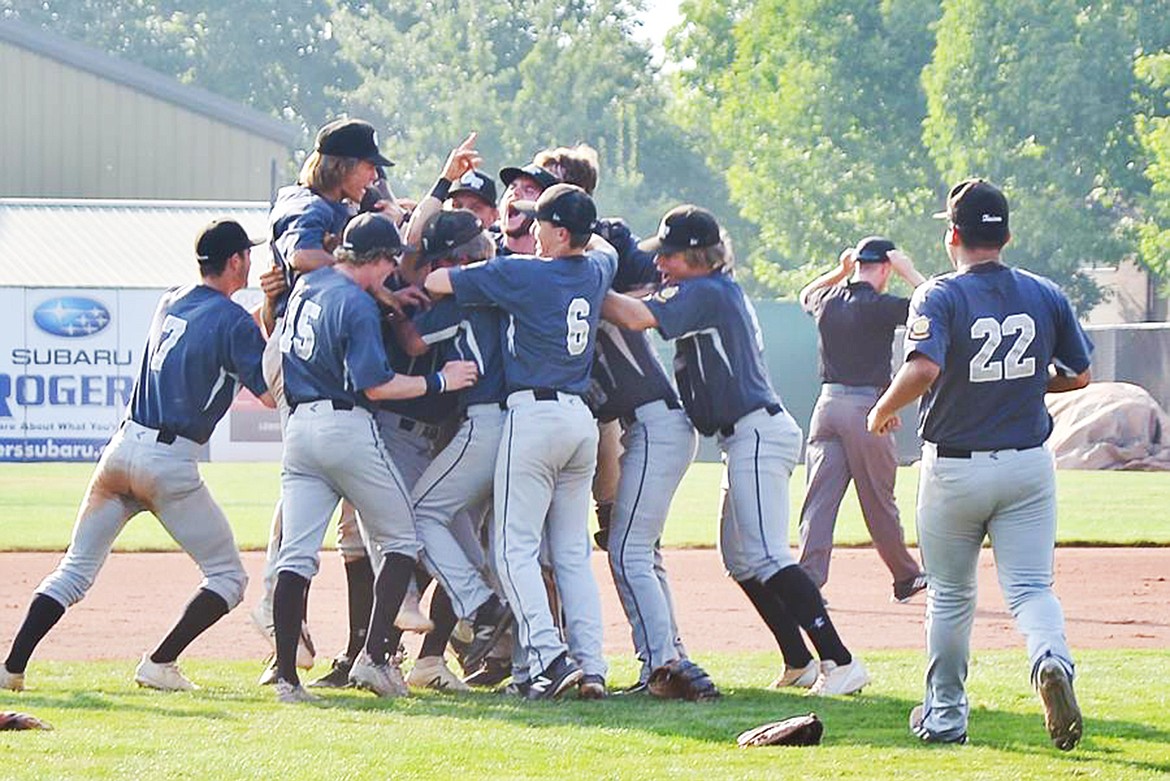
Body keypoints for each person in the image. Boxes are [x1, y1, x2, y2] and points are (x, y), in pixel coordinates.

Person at [602, 205, 869, 696]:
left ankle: (840, 660)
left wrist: (587, 284)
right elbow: (648, 299)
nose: (661, 263)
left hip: (756, 431)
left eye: (670, 256)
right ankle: (798, 661)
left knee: (766, 555)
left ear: (697, 256)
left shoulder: (706, 290)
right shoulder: (712, 288)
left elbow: (637, 315)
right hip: (743, 435)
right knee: (742, 560)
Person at [0, 220, 274, 692]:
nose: (250, 261)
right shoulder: (230, 320)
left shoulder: (172, 298)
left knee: (73, 572)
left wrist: (263, 309)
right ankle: (159, 663)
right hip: (170, 464)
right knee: (228, 577)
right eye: (246, 255)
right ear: (235, 262)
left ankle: (10, 668)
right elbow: (268, 392)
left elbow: (222, 330)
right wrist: (277, 311)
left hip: (123, 448)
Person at [867, 179, 1091, 749]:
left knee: (950, 594)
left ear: (952, 235)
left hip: (956, 469)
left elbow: (922, 370)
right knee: (1031, 588)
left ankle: (945, 718)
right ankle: (1050, 658)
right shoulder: (1043, 292)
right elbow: (1079, 375)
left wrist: (880, 410)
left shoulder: (938, 295)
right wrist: (1026, 385)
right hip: (1026, 465)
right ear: (1008, 235)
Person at [270, 212, 478, 703]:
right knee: (403, 538)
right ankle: (375, 659)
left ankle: (285, 680)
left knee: (295, 555)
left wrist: (385, 300)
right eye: (390, 261)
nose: (393, 271)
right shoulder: (357, 306)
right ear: (380, 259)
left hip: (299, 427)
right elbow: (377, 386)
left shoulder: (310, 283)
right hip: (347, 428)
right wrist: (440, 381)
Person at [424, 184, 616, 700]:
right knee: (572, 553)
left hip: (534, 416)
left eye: (541, 223)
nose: (532, 230)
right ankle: (590, 665)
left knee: (513, 550)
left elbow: (440, 281)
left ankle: (550, 659)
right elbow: (606, 252)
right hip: (580, 420)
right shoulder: (597, 270)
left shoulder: (522, 272)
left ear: (560, 232)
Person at [535, 143, 708, 696]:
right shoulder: (590, 290)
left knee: (629, 548)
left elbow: (604, 286)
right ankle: (669, 656)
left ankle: (664, 663)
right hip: (654, 427)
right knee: (638, 549)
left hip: (657, 424)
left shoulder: (592, 292)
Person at [252, 117, 392, 677]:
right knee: (306, 499)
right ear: (342, 165)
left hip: (318, 354)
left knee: (332, 507)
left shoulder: (341, 205)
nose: (374, 175)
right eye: (367, 166)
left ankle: (341, 644)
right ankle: (279, 624)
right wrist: (353, 258)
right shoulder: (307, 204)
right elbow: (303, 255)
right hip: (305, 359)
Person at [796, 236, 928, 603]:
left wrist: (837, 272)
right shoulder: (882, 306)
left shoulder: (828, 299)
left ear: (856, 265)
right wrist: (909, 271)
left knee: (819, 501)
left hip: (826, 407)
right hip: (867, 410)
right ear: (885, 267)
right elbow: (937, 303)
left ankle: (808, 583)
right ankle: (905, 578)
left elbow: (806, 294)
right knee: (878, 499)